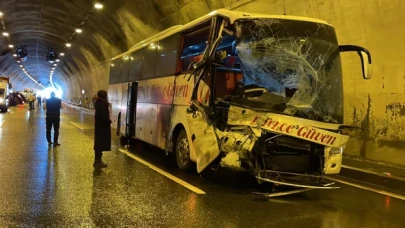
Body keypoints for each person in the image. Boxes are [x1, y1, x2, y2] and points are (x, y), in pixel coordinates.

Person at [93, 90, 111, 168]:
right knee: (100, 143)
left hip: (99, 126)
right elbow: (103, 116)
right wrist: (109, 121)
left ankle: (98, 161)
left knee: (99, 143)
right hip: (102, 127)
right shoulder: (102, 104)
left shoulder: (98, 103)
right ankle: (97, 161)